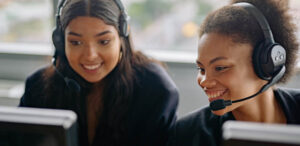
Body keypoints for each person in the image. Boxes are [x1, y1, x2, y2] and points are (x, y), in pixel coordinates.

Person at [19, 0, 179, 146]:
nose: (90, 55)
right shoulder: (38, 86)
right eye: (75, 42)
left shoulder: (156, 89)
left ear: (122, 36)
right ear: (60, 42)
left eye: (104, 41)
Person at [173, 0, 300, 145]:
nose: (204, 81)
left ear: (267, 64)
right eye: (201, 69)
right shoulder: (189, 134)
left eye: (220, 68)